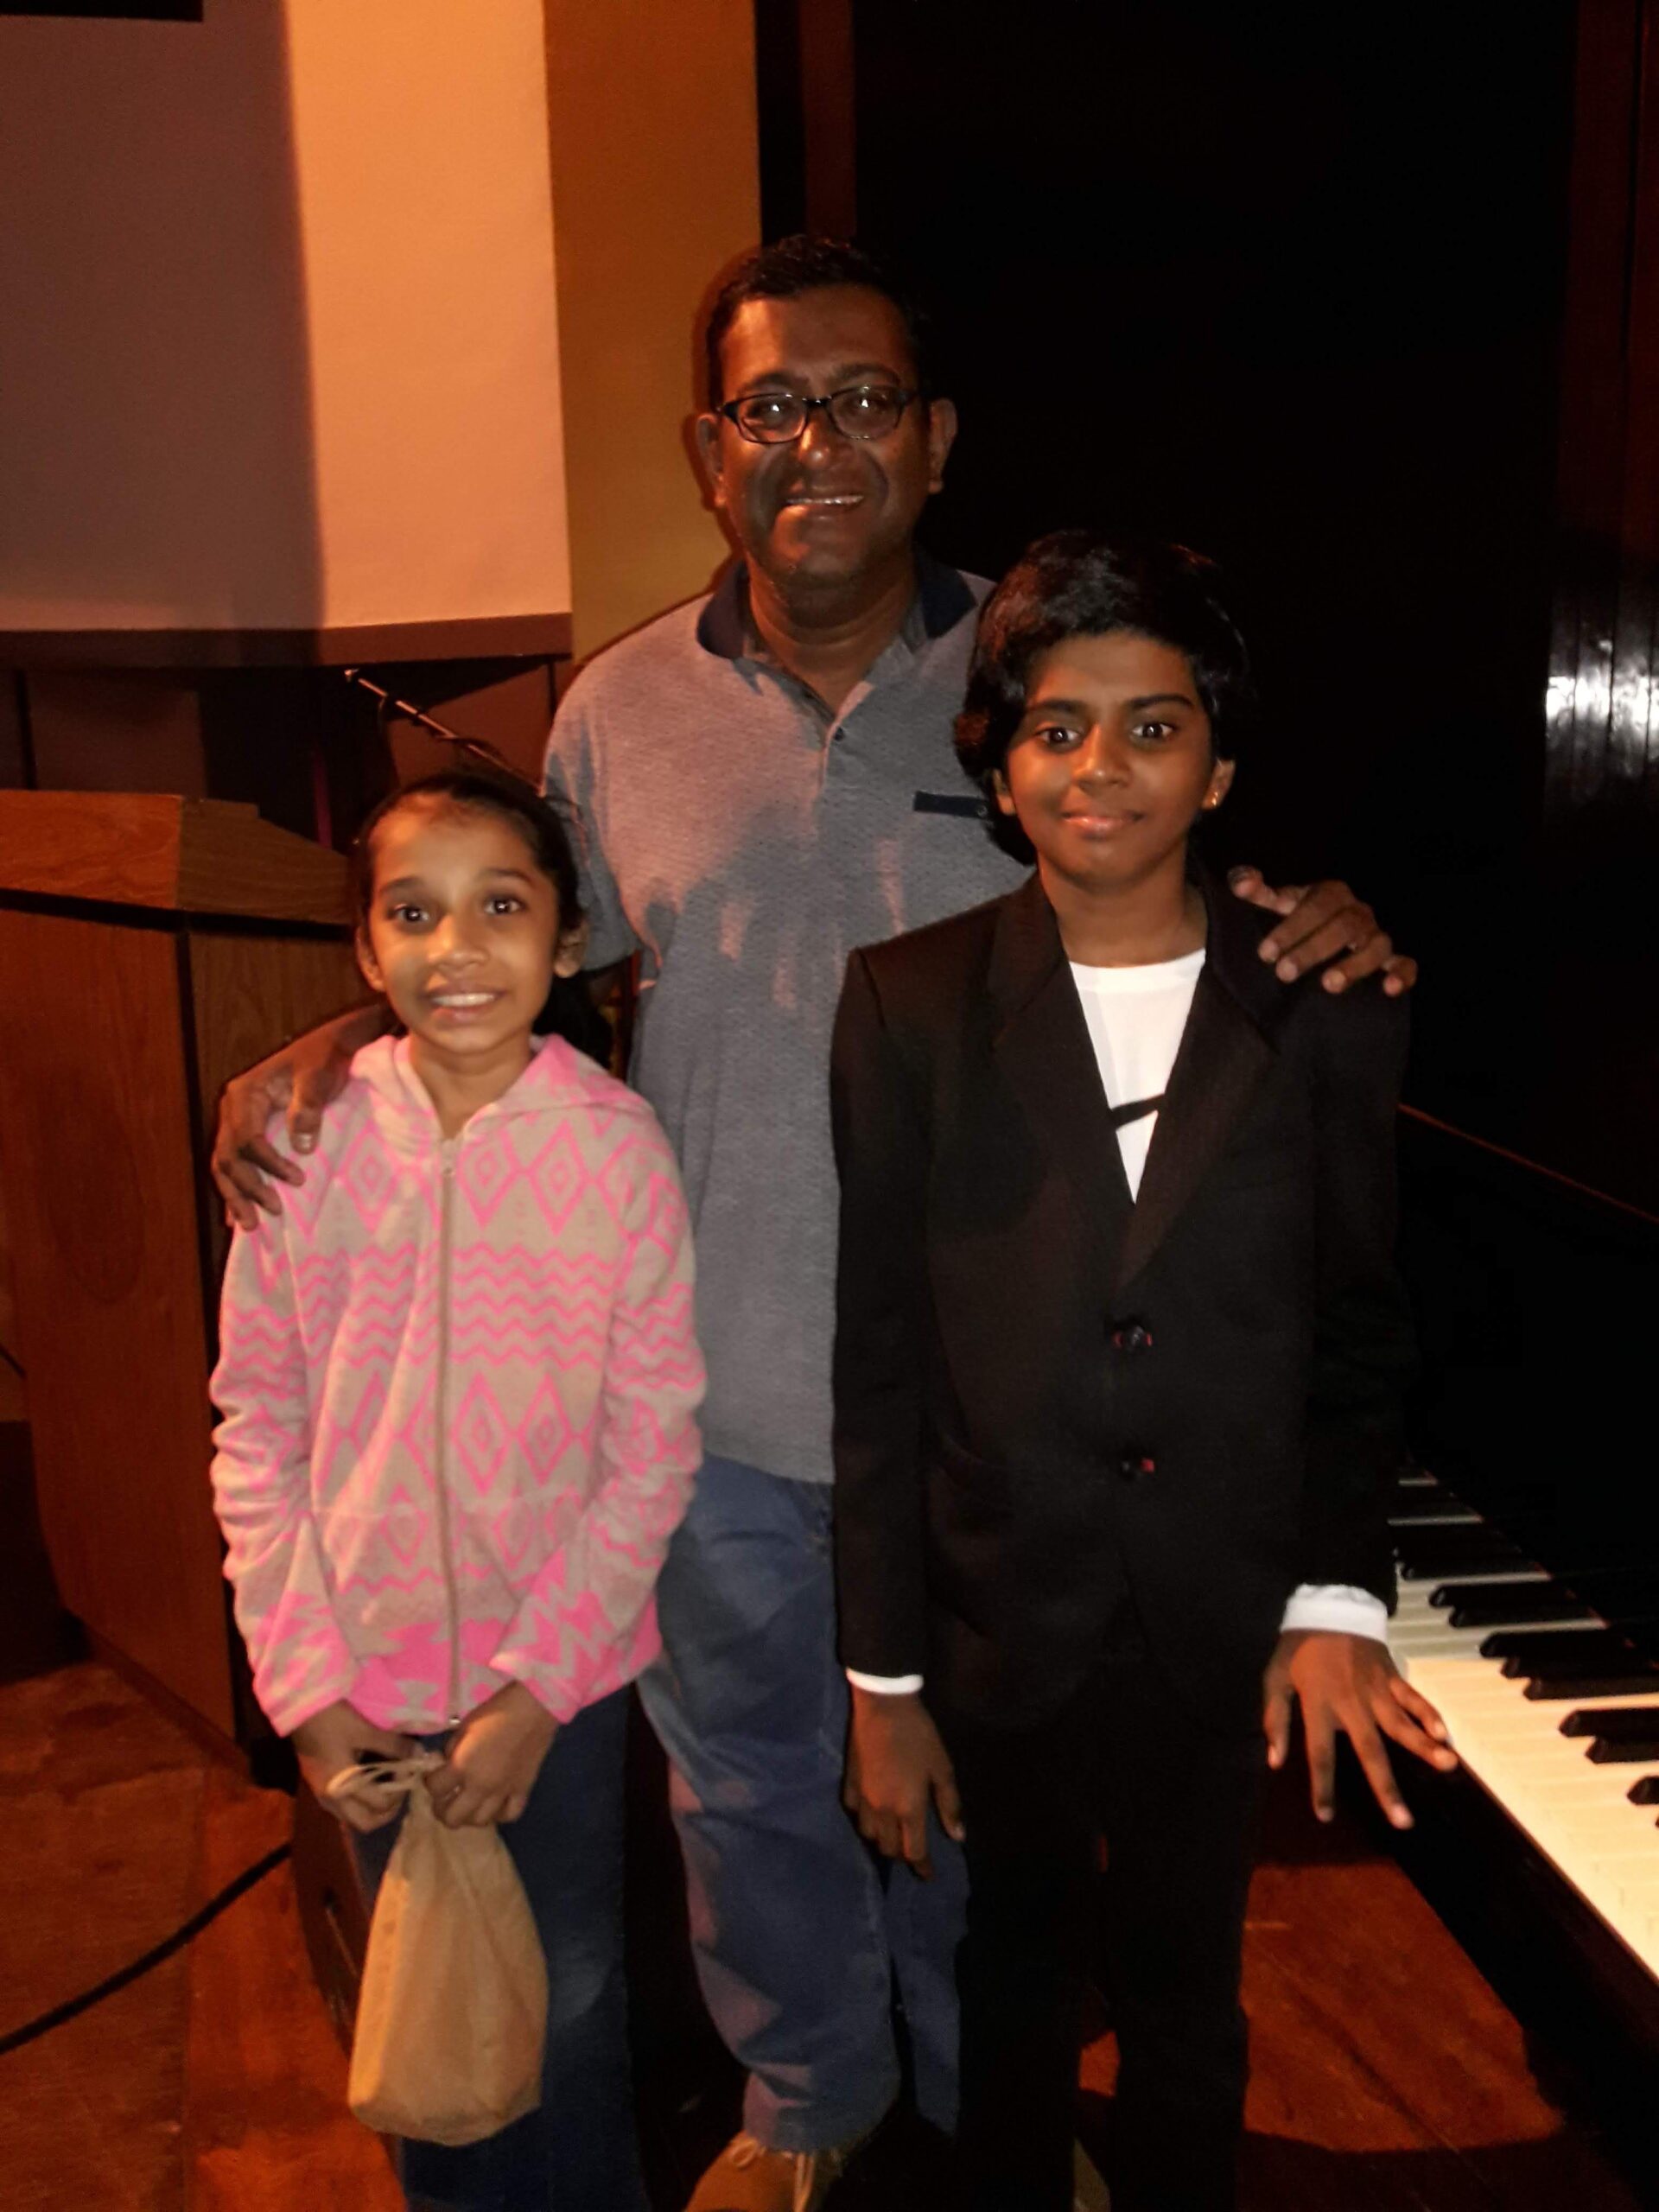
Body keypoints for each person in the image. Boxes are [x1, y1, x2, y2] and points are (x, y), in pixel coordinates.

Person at [211, 240, 1420, 2212]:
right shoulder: (617, 710)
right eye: (772, 406)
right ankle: (809, 2101)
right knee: (750, 1790)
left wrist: (1318, 918)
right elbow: (511, 945)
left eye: (863, 400)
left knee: (976, 1808)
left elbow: (1162, 882)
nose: (817, 442)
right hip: (707, 1381)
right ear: (714, 452)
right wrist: (332, 1041)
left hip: (985, 1407)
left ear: (935, 440)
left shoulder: (1033, 674)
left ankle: (982, 2107)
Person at [831, 533, 1459, 2212]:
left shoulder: (1326, 1003)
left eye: (1153, 726)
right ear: (1001, 769)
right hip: (998, 1613)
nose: (1100, 764)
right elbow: (879, 1360)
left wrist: (1335, 1594)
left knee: (1190, 1986)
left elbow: (1359, 1324)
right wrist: (881, 1686)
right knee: (1014, 1971)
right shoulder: (906, 1004)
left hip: (1217, 1613)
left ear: (1220, 769)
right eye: (1057, 727)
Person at [207, 772, 705, 2212]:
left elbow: (653, 1445)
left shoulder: (616, 1148)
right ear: (366, 952)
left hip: (549, 1690)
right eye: (413, 914)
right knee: (425, 2018)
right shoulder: (304, 1146)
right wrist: (306, 1686)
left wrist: (538, 1691)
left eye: (500, 906)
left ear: (567, 938)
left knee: (573, 2003)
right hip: (362, 1680)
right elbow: (256, 1425)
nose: (457, 948)